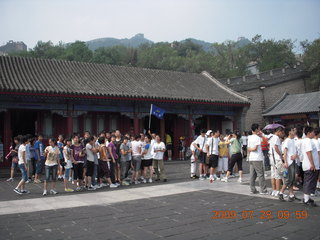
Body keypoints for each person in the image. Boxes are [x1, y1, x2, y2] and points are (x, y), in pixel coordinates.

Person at [279, 127, 300, 202]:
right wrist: (285, 162)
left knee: (292, 179)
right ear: (289, 132)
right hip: (289, 162)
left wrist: (296, 156)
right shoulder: (287, 141)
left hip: (293, 161)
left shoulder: (293, 140)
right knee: (289, 179)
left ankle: (291, 195)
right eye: (292, 130)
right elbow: (285, 153)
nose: (294, 131)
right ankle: (281, 192)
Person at [247, 123, 268, 194]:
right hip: (257, 158)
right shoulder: (257, 138)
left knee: (252, 175)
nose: (260, 130)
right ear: (256, 129)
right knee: (260, 174)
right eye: (259, 128)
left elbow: (248, 148)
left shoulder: (249, 137)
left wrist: (250, 151)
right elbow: (255, 148)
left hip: (251, 158)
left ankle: (252, 189)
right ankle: (263, 190)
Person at [301, 126, 319, 206]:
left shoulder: (306, 140)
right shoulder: (308, 141)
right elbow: (309, 152)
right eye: (312, 132)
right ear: (308, 133)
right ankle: (306, 199)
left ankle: (306, 197)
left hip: (308, 164)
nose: (313, 133)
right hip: (309, 165)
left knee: (309, 181)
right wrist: (312, 164)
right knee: (309, 181)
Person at [269, 127, 284, 197]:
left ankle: (274, 190)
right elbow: (276, 147)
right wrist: (281, 155)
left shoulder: (271, 137)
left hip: (272, 158)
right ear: (279, 131)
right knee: (278, 175)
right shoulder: (276, 138)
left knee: (273, 175)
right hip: (277, 158)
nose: (282, 134)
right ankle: (278, 191)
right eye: (282, 132)